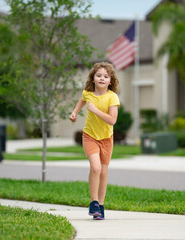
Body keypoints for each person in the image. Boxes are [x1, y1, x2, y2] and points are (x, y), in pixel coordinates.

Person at [70, 62, 120, 220]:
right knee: (96, 168)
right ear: (93, 78)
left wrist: (95, 110)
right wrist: (75, 112)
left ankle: (101, 206)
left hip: (106, 139)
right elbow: (82, 100)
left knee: (104, 172)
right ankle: (94, 202)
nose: (102, 78)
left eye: (106, 76)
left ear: (110, 81)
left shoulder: (112, 97)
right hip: (90, 136)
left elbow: (112, 120)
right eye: (99, 75)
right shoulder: (88, 93)